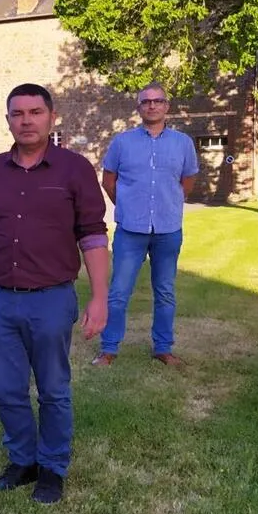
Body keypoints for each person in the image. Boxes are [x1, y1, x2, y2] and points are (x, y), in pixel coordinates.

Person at [0, 83, 109, 504]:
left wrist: (99, 297)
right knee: (7, 390)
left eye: (35, 112)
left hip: (51, 299)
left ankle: (52, 467)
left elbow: (92, 234)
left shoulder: (74, 169)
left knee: (53, 389)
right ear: (8, 121)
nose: (26, 121)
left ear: (52, 117)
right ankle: (23, 460)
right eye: (17, 113)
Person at [91, 83, 199, 367]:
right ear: (138, 108)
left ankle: (163, 348)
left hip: (168, 230)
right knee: (118, 293)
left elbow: (188, 181)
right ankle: (109, 349)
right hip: (130, 230)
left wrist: (170, 203)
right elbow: (108, 180)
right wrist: (128, 206)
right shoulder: (122, 142)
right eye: (146, 102)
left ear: (167, 106)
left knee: (165, 292)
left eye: (158, 101)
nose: (152, 106)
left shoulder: (183, 143)